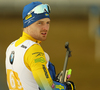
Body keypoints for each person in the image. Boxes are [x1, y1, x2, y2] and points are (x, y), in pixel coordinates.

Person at [5, 1, 75, 90]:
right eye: (40, 23)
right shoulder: (33, 49)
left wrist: (54, 79)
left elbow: (27, 79)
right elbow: (46, 87)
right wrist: (67, 86)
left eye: (48, 23)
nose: (45, 28)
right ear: (28, 23)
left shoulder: (12, 46)